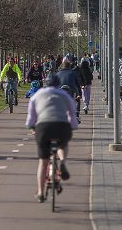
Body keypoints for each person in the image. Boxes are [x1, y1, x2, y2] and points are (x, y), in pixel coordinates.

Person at [25, 74, 78, 203]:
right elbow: (72, 114)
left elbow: (31, 118)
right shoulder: (64, 95)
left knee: (43, 162)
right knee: (63, 144)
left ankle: (40, 193)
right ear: (58, 84)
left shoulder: (37, 95)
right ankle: (63, 162)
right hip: (61, 126)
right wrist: (72, 127)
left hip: (43, 128)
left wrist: (32, 127)